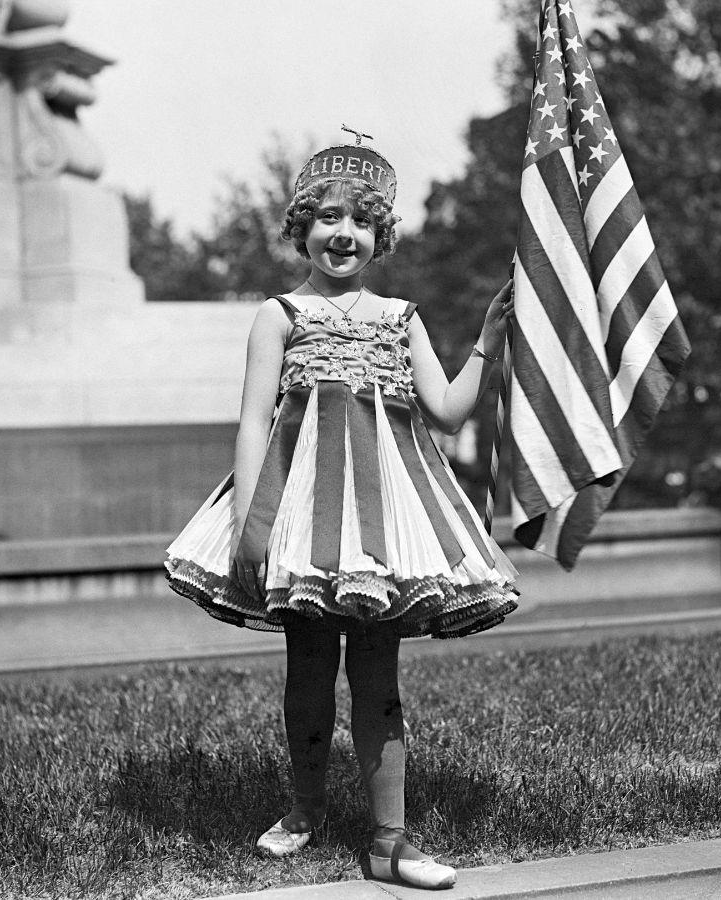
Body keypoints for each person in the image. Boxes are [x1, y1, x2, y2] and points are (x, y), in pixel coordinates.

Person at [164, 135, 519, 890]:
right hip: (300, 510)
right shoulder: (280, 314)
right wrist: (252, 524)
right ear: (301, 228)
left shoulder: (401, 316)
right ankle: (304, 809)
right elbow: (253, 420)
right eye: (328, 218)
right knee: (309, 665)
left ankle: (390, 839)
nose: (344, 233)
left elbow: (447, 410)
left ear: (380, 235)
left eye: (361, 221)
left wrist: (488, 344)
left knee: (377, 671)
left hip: (382, 517)